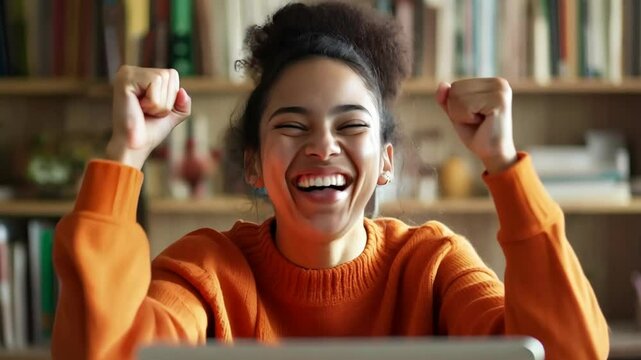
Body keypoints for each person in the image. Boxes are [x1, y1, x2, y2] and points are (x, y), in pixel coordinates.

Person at [52, 2, 608, 359]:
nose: (322, 146)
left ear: (386, 162)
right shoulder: (205, 272)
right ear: (252, 164)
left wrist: (506, 167)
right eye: (292, 125)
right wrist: (124, 154)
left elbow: (570, 353)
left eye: (350, 125)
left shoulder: (434, 264)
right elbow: (100, 352)